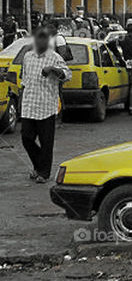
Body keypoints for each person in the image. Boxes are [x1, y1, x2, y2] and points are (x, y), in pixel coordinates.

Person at [19, 27, 71, 183]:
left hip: (46, 106)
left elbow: (67, 74)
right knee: (26, 138)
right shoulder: (28, 57)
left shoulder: (54, 57)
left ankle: (43, 173)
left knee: (46, 142)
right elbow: (24, 80)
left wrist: (54, 70)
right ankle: (39, 164)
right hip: (29, 105)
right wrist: (22, 100)